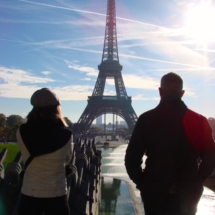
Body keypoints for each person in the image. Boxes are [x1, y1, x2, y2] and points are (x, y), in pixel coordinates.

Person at [125, 72, 215, 215]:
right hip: (188, 192)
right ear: (182, 93)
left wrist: (144, 183)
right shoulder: (200, 121)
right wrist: (196, 180)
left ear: (160, 91)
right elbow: (210, 158)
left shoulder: (146, 119)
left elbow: (131, 160)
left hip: (154, 192)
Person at [16, 88, 72, 215]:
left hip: (30, 191)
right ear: (56, 107)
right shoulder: (67, 134)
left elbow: (24, 154)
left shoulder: (21, 131)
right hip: (56, 192)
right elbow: (67, 160)